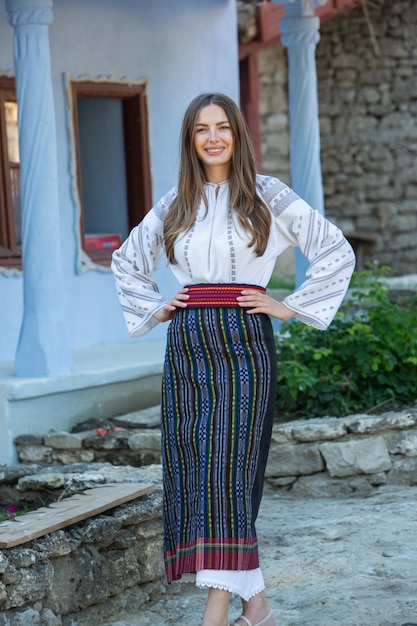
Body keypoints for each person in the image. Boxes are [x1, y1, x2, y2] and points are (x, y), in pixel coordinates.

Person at [111, 92, 355, 626]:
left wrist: (287, 308)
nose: (213, 137)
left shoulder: (268, 195)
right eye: (202, 129)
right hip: (189, 344)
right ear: (191, 139)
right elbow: (127, 261)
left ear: (238, 134)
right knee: (199, 471)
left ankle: (216, 608)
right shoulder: (176, 202)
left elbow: (336, 249)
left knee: (230, 469)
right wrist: (158, 306)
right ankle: (258, 606)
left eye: (223, 127)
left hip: (245, 340)